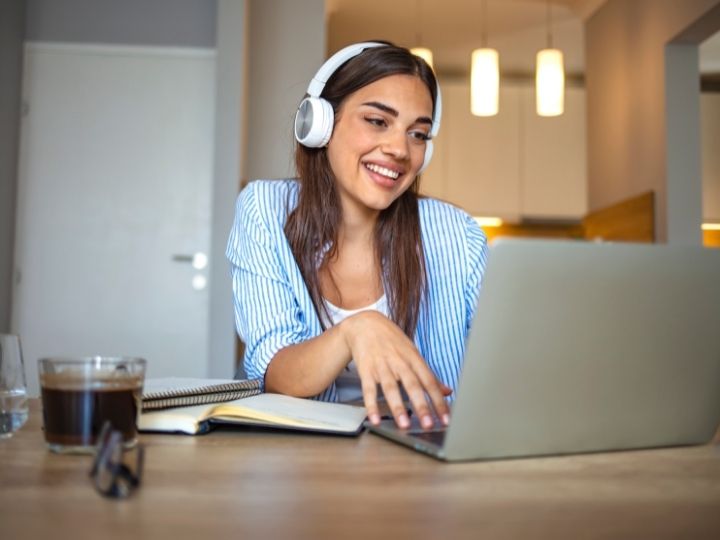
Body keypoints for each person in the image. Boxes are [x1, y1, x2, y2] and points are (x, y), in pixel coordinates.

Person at [226, 41, 488, 430]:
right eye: (378, 121)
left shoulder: (457, 234)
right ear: (320, 125)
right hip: (301, 460)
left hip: (425, 456)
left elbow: (504, 366)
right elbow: (274, 371)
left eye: (418, 134)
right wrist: (356, 330)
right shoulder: (264, 210)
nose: (400, 149)